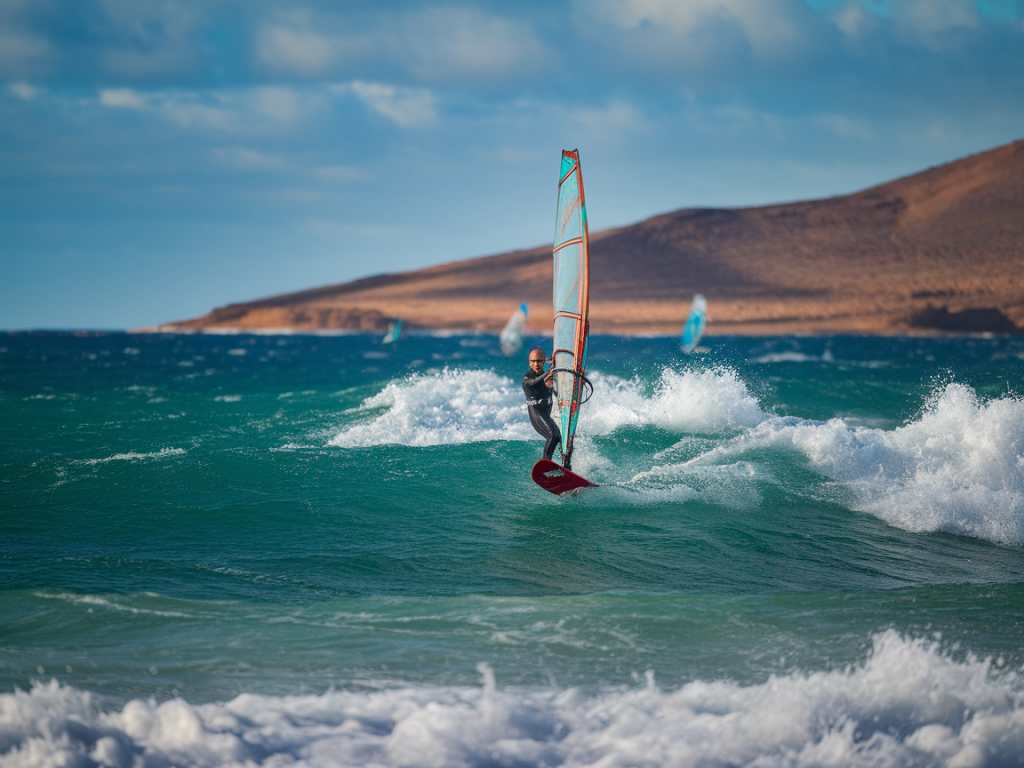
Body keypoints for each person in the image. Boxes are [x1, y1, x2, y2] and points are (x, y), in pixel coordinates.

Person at [522, 346, 568, 468]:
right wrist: (551, 370)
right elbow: (534, 383)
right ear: (529, 361)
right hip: (536, 414)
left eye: (539, 361)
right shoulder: (527, 379)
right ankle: (544, 466)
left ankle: (565, 464)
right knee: (552, 435)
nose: (536, 364)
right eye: (532, 361)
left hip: (546, 415)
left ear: (543, 361)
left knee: (559, 437)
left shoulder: (547, 378)